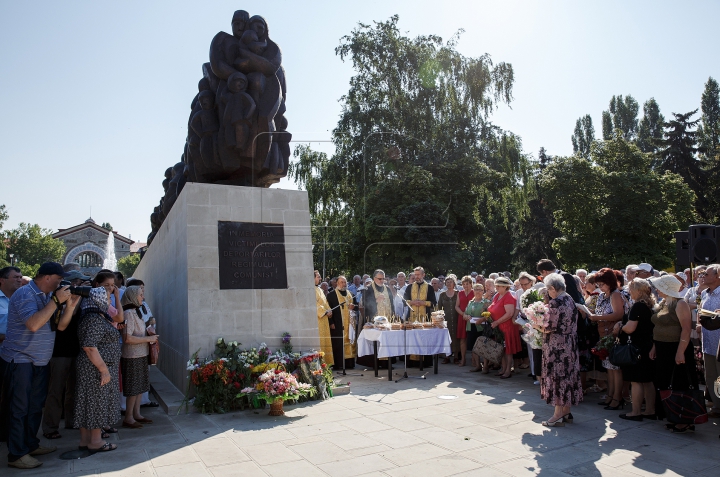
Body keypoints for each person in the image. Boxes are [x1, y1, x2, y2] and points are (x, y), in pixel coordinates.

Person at [0, 262, 80, 469]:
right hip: (20, 360)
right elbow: (34, 324)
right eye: (59, 279)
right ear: (46, 277)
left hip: (40, 360)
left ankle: (29, 444)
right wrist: (55, 301)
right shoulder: (25, 294)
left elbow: (61, 326)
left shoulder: (46, 296)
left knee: (35, 407)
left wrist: (70, 305)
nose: (63, 283)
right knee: (19, 409)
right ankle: (16, 454)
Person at [41, 269, 91, 440]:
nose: (80, 286)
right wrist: (72, 298)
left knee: (74, 390)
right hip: (59, 352)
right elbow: (64, 320)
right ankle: (50, 427)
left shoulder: (80, 298)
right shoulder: (55, 299)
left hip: (76, 350)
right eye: (78, 282)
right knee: (56, 390)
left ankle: (72, 421)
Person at [74, 285, 124, 453]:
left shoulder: (92, 317)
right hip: (95, 369)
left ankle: (85, 440)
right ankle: (95, 441)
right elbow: (90, 347)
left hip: (92, 367)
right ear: (98, 300)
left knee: (87, 403)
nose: (109, 302)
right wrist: (104, 370)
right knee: (96, 403)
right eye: (107, 298)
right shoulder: (94, 318)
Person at [532, 273, 583, 426]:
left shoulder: (556, 303)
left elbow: (549, 328)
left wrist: (535, 324)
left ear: (553, 288)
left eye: (548, 289)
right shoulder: (569, 298)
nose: (548, 292)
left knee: (558, 377)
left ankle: (557, 415)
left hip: (557, 346)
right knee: (567, 376)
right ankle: (567, 411)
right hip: (570, 344)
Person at [648, 274, 696, 432]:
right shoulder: (664, 303)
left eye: (660, 288)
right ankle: (673, 415)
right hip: (663, 349)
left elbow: (686, 329)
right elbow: (658, 327)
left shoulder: (680, 303)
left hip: (676, 348)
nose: (657, 290)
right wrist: (655, 347)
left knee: (679, 383)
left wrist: (681, 351)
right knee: (665, 382)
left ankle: (684, 419)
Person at [588, 268, 628, 409]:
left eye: (602, 284)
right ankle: (611, 395)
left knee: (615, 369)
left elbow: (618, 315)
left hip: (613, 336)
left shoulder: (615, 295)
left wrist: (598, 317)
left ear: (610, 282)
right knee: (608, 368)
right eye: (598, 284)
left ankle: (617, 398)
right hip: (603, 335)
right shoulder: (602, 295)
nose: (600, 287)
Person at [618, 278, 656, 421]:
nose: (629, 291)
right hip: (647, 345)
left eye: (631, 289)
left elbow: (630, 328)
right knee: (647, 380)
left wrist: (620, 327)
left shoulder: (637, 307)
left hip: (636, 347)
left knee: (636, 381)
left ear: (638, 291)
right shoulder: (649, 305)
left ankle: (635, 411)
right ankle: (650, 410)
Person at [120, 286, 157, 429]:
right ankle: (128, 417)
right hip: (132, 355)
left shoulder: (137, 311)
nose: (143, 297)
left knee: (140, 386)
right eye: (141, 295)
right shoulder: (129, 313)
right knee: (133, 387)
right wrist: (148, 339)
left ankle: (137, 414)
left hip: (141, 353)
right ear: (133, 296)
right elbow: (127, 338)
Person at [695, 264, 720, 417]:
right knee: (710, 376)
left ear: (717, 276)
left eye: (707, 273)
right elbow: (700, 312)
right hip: (707, 341)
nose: (703, 275)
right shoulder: (704, 293)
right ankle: (717, 407)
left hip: (719, 343)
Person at [487, 277, 521, 378]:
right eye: (496, 285)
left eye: (498, 286)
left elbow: (509, 313)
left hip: (507, 326)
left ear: (505, 287)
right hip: (498, 326)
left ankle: (508, 370)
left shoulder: (509, 296)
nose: (496, 287)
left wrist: (497, 322)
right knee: (501, 348)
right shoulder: (497, 295)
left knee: (507, 349)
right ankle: (503, 368)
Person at [326, 276, 357, 369]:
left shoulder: (351, 294)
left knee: (350, 342)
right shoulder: (331, 295)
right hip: (337, 323)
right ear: (337, 283)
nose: (344, 284)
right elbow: (328, 309)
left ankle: (349, 363)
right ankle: (339, 364)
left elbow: (356, 306)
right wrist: (331, 322)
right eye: (341, 282)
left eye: (345, 282)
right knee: (338, 343)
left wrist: (354, 307)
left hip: (350, 324)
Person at [461, 282, 492, 372]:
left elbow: (489, 316)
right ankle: (477, 365)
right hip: (471, 327)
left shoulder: (486, 302)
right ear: (473, 291)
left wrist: (482, 319)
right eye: (476, 289)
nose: (477, 291)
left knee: (483, 347)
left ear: (483, 291)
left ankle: (485, 366)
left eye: (480, 290)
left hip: (482, 328)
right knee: (474, 347)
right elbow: (465, 314)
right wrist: (466, 316)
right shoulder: (470, 302)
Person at [314, 270, 334, 367]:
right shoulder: (309, 289)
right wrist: (325, 311)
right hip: (317, 320)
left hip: (324, 320)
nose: (320, 278)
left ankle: (326, 364)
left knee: (325, 341)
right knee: (320, 342)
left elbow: (325, 303)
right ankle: (320, 365)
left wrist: (329, 310)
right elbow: (313, 304)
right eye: (318, 277)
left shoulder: (320, 290)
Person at [438, 276, 459, 364]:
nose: (449, 284)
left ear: (454, 283)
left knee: (456, 336)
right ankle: (447, 356)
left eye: (451, 282)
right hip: (446, 320)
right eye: (447, 282)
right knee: (447, 337)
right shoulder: (442, 295)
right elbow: (439, 308)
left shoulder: (458, 293)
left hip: (457, 318)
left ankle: (456, 356)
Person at [0, 266, 23, 345]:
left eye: (20, 277)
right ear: (2, 280)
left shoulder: (24, 299)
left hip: (19, 352)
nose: (19, 280)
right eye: (16, 277)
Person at [455, 276, 474, 367]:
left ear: (471, 284)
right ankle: (463, 359)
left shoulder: (475, 292)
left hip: (472, 318)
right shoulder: (460, 293)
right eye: (464, 284)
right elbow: (456, 306)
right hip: (462, 318)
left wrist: (469, 316)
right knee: (462, 339)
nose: (465, 286)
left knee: (473, 339)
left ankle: (475, 361)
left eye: (467, 284)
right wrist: (463, 314)